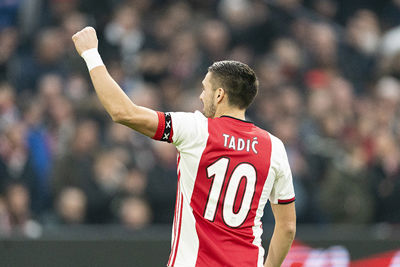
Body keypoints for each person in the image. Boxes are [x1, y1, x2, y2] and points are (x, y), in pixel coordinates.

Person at [72, 26, 296, 267]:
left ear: (219, 95)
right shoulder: (274, 148)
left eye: (205, 89)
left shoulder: (196, 129)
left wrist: (91, 53)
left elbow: (123, 112)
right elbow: (287, 228)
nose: (201, 97)